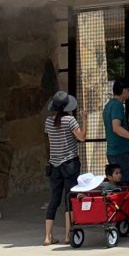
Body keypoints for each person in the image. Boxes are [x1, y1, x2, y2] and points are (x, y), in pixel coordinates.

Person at [42, 91, 84, 246]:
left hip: (54, 165)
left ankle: (47, 236)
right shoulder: (70, 120)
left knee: (54, 199)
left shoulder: (48, 121)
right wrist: (84, 120)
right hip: (70, 164)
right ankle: (68, 234)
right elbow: (82, 137)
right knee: (69, 199)